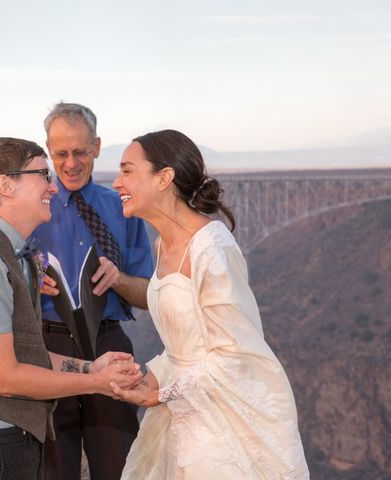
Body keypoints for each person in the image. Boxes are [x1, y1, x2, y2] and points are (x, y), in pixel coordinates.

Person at [0, 137, 141, 480]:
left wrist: (91, 368)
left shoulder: (10, 256)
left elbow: (27, 355)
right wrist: (98, 383)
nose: (53, 186)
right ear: (6, 185)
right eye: (42, 174)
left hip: (12, 444)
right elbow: (2, 376)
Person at [109, 129, 310, 479]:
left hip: (219, 432)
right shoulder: (163, 245)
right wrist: (151, 378)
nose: (116, 182)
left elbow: (235, 354)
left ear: (164, 178)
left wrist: (162, 394)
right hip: (183, 418)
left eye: (127, 171)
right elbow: (184, 347)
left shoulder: (212, 248)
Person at [31, 102, 154, 480]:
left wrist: (119, 279)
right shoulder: (30, 205)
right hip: (47, 350)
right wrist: (27, 278)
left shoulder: (122, 206)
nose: (70, 163)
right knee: (54, 470)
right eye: (61, 154)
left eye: (80, 152)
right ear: (49, 151)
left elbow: (149, 293)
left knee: (119, 467)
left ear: (97, 147)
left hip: (110, 344)